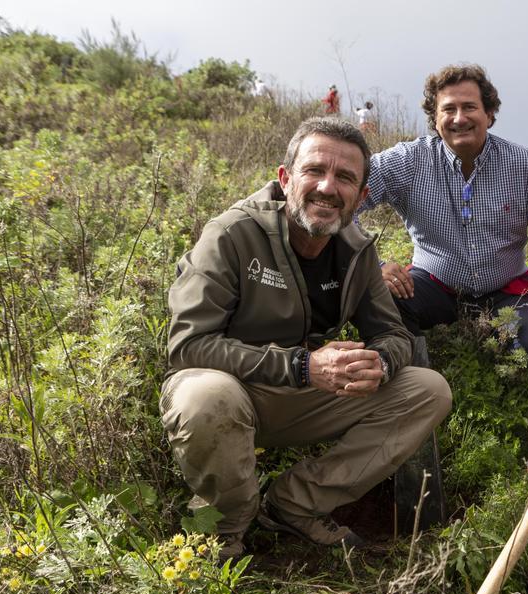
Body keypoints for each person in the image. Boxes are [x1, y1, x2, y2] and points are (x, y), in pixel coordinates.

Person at [160, 117, 452, 560]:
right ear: (286, 178)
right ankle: (223, 532)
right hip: (233, 390)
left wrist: (381, 362)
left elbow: (392, 333)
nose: (327, 187)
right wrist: (302, 365)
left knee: (428, 390)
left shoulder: (357, 250)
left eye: (345, 177)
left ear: (361, 194)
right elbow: (188, 344)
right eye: (315, 171)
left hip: (303, 395)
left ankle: (295, 504)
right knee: (206, 397)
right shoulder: (232, 234)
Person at [360, 63, 528, 397]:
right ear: (435, 118)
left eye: (470, 107)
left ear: (490, 113)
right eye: (448, 109)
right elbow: (344, 200)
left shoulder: (524, 165)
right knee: (382, 302)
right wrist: (374, 265)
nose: (459, 118)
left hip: (507, 293)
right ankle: (410, 392)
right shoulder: (408, 161)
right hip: (434, 286)